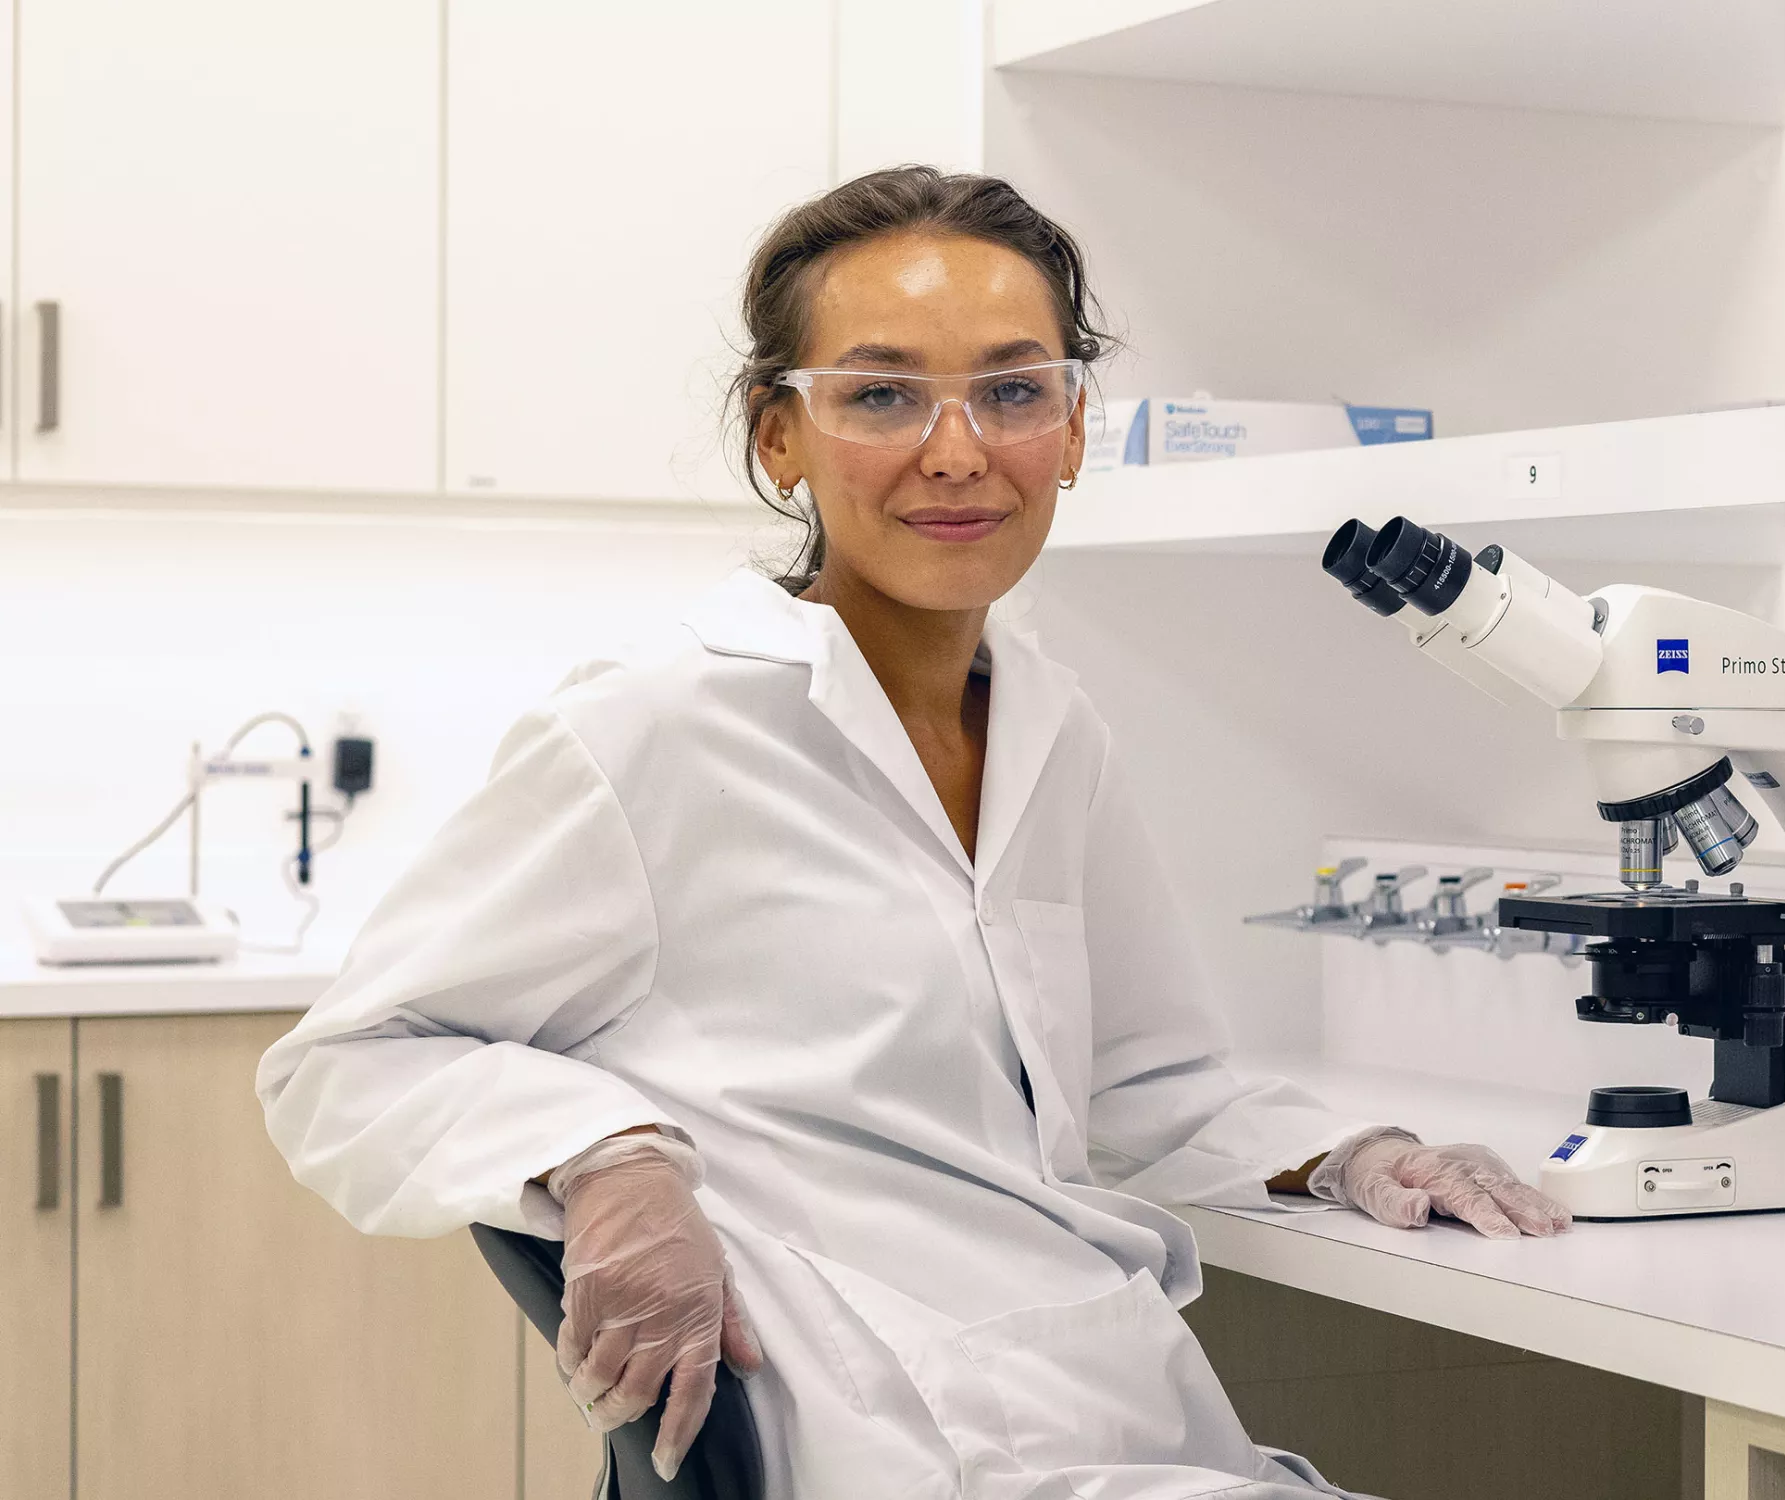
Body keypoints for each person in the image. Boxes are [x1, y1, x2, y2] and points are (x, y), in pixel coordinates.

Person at [257, 166, 1567, 1499]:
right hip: (891, 1441)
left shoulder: (1055, 733)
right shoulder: (661, 728)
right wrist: (610, 1164)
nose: (957, 451)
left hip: (1116, 1413)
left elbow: (1136, 1088)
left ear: (1069, 431)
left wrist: (1359, 1157)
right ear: (780, 435)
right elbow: (348, 1066)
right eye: (881, 395)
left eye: (1012, 391)